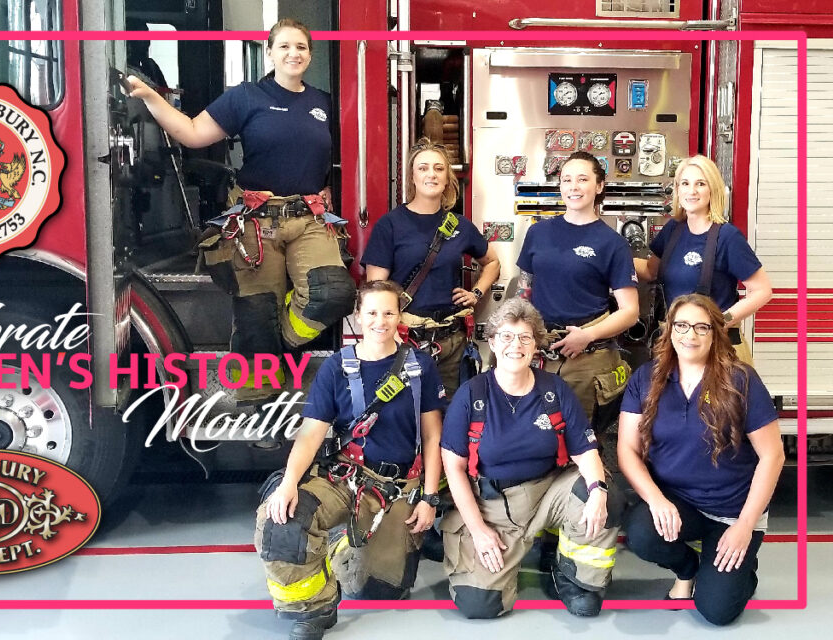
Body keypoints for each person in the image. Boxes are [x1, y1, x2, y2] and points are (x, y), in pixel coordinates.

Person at [127, 19, 355, 403]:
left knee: (332, 293)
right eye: (283, 47)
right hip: (256, 221)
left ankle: (273, 345)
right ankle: (257, 401)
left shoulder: (323, 102)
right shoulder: (246, 97)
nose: (293, 54)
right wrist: (153, 98)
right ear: (269, 52)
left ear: (310, 55)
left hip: (309, 218)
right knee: (253, 313)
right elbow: (192, 132)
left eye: (300, 47)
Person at [254, 280, 445, 640]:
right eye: (371, 312)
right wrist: (289, 483)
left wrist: (430, 498)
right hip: (347, 478)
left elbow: (434, 436)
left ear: (399, 316)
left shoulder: (420, 367)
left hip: (399, 487)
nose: (380, 320)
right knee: (281, 520)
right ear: (357, 316)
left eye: (389, 312)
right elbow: (312, 433)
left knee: (377, 590)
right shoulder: (336, 368)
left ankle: (348, 540)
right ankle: (314, 608)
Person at [439, 298, 624, 619]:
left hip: (550, 491)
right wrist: (479, 530)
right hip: (493, 505)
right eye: (507, 337)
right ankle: (469, 550)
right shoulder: (472, 394)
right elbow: (453, 468)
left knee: (605, 494)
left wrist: (598, 490)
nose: (516, 345)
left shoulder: (554, 390)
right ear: (493, 342)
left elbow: (584, 449)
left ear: (536, 344)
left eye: (525, 337)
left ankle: (574, 577)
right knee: (480, 605)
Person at [618, 293, 783, 626]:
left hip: (733, 512)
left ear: (715, 334)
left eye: (701, 327)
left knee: (717, 612)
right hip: (681, 505)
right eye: (681, 325)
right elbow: (627, 450)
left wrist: (745, 526)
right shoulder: (647, 378)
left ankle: (740, 568)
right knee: (642, 531)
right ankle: (688, 569)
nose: (689, 335)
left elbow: (773, 455)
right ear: (669, 330)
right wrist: (656, 500)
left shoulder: (741, 380)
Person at [362, 137, 500, 397]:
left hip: (452, 344)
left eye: (439, 169)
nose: (431, 174)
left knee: (449, 417)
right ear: (412, 178)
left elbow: (492, 262)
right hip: (404, 342)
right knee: (404, 414)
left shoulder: (459, 225)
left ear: (448, 178)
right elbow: (375, 293)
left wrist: (477, 293)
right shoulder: (389, 225)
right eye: (423, 168)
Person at [516, 150, 638, 426]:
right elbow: (523, 292)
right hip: (538, 353)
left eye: (582, 179)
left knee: (582, 439)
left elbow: (630, 311)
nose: (573, 186)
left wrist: (587, 335)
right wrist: (516, 336)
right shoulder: (538, 232)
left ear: (599, 186)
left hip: (587, 358)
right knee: (534, 431)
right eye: (567, 179)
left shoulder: (612, 244)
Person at [635, 155, 772, 366]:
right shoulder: (672, 231)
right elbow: (650, 271)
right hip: (677, 347)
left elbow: (763, 291)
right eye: (685, 183)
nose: (692, 191)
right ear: (677, 190)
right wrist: (610, 257)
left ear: (713, 190)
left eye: (700, 183)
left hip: (717, 349)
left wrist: (722, 321)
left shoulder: (727, 237)